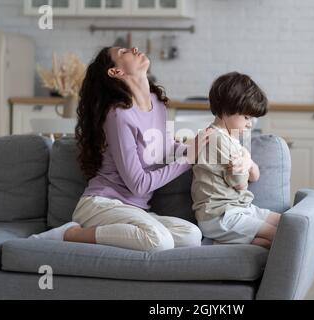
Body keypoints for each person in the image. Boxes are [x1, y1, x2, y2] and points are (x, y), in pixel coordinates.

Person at [30, 46, 213, 252]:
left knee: (191, 235)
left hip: (136, 211)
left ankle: (137, 232)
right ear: (115, 71)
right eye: (123, 51)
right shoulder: (119, 115)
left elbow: (166, 148)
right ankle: (69, 234)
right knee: (159, 241)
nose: (134, 48)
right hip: (103, 205)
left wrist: (199, 147)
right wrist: (188, 159)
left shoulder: (158, 104)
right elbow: (139, 185)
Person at [191, 72, 281, 249]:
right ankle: (221, 239)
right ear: (226, 110)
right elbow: (240, 184)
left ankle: (227, 241)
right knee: (283, 235)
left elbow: (254, 175)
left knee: (289, 223)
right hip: (220, 215)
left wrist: (247, 162)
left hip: (240, 208)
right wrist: (246, 166)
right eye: (246, 117)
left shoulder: (231, 139)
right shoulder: (216, 139)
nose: (250, 124)